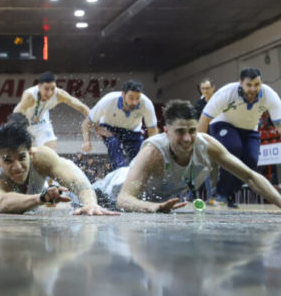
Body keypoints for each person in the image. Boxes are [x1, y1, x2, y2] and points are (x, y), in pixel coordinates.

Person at [94, 100, 281, 212]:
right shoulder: (153, 151)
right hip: (108, 192)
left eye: (192, 130)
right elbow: (124, 199)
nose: (187, 138)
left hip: (157, 204)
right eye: (180, 132)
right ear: (166, 131)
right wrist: (152, 207)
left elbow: (250, 176)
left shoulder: (206, 144)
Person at [0, 118, 117, 216]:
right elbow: (4, 203)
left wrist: (90, 203)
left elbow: (75, 180)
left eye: (22, 158)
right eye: (8, 161)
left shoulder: (41, 157)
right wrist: (40, 199)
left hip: (40, 193)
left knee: (87, 192)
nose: (17, 167)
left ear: (30, 153)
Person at [197, 68, 281, 207]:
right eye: (249, 85)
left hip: (249, 129)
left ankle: (228, 193)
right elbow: (204, 119)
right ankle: (221, 193)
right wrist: (198, 147)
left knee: (251, 162)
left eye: (257, 84)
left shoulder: (270, 95)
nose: (253, 88)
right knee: (233, 148)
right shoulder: (226, 93)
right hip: (222, 123)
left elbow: (279, 124)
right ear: (240, 83)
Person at [82, 80, 159, 170]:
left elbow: (153, 130)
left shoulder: (146, 104)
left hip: (133, 131)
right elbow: (86, 123)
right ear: (123, 95)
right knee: (113, 143)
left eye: (137, 98)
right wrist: (86, 141)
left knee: (139, 161)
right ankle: (119, 171)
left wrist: (152, 149)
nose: (134, 102)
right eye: (131, 98)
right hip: (109, 128)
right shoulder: (108, 100)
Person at [14, 72, 92, 151]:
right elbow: (17, 114)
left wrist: (94, 122)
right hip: (23, 122)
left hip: (41, 121)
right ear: (39, 87)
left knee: (50, 152)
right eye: (46, 89)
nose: (50, 93)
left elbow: (82, 108)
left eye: (52, 88)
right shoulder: (30, 96)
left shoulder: (59, 94)